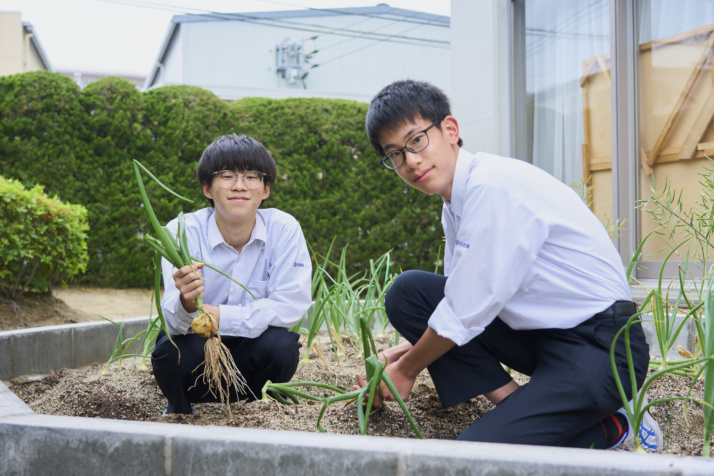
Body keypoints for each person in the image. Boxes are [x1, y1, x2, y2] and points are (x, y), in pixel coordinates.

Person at [357, 79, 663, 451]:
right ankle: (518, 407)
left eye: (416, 140)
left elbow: (465, 312)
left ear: (450, 130)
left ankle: (616, 425)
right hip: (544, 338)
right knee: (410, 293)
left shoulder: (491, 188)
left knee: (475, 458)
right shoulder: (456, 203)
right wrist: (393, 356)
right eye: (395, 155)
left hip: (601, 349)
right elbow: (457, 302)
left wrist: (405, 370)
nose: (410, 161)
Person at [151, 133, 312, 415]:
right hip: (198, 348)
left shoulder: (283, 228)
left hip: (253, 354)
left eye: (252, 176)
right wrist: (187, 304)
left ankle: (256, 409)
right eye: (226, 175)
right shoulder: (181, 231)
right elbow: (174, 322)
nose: (240, 186)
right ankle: (180, 408)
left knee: (282, 346)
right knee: (170, 352)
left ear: (266, 189)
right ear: (207, 188)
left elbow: (290, 306)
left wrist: (220, 316)